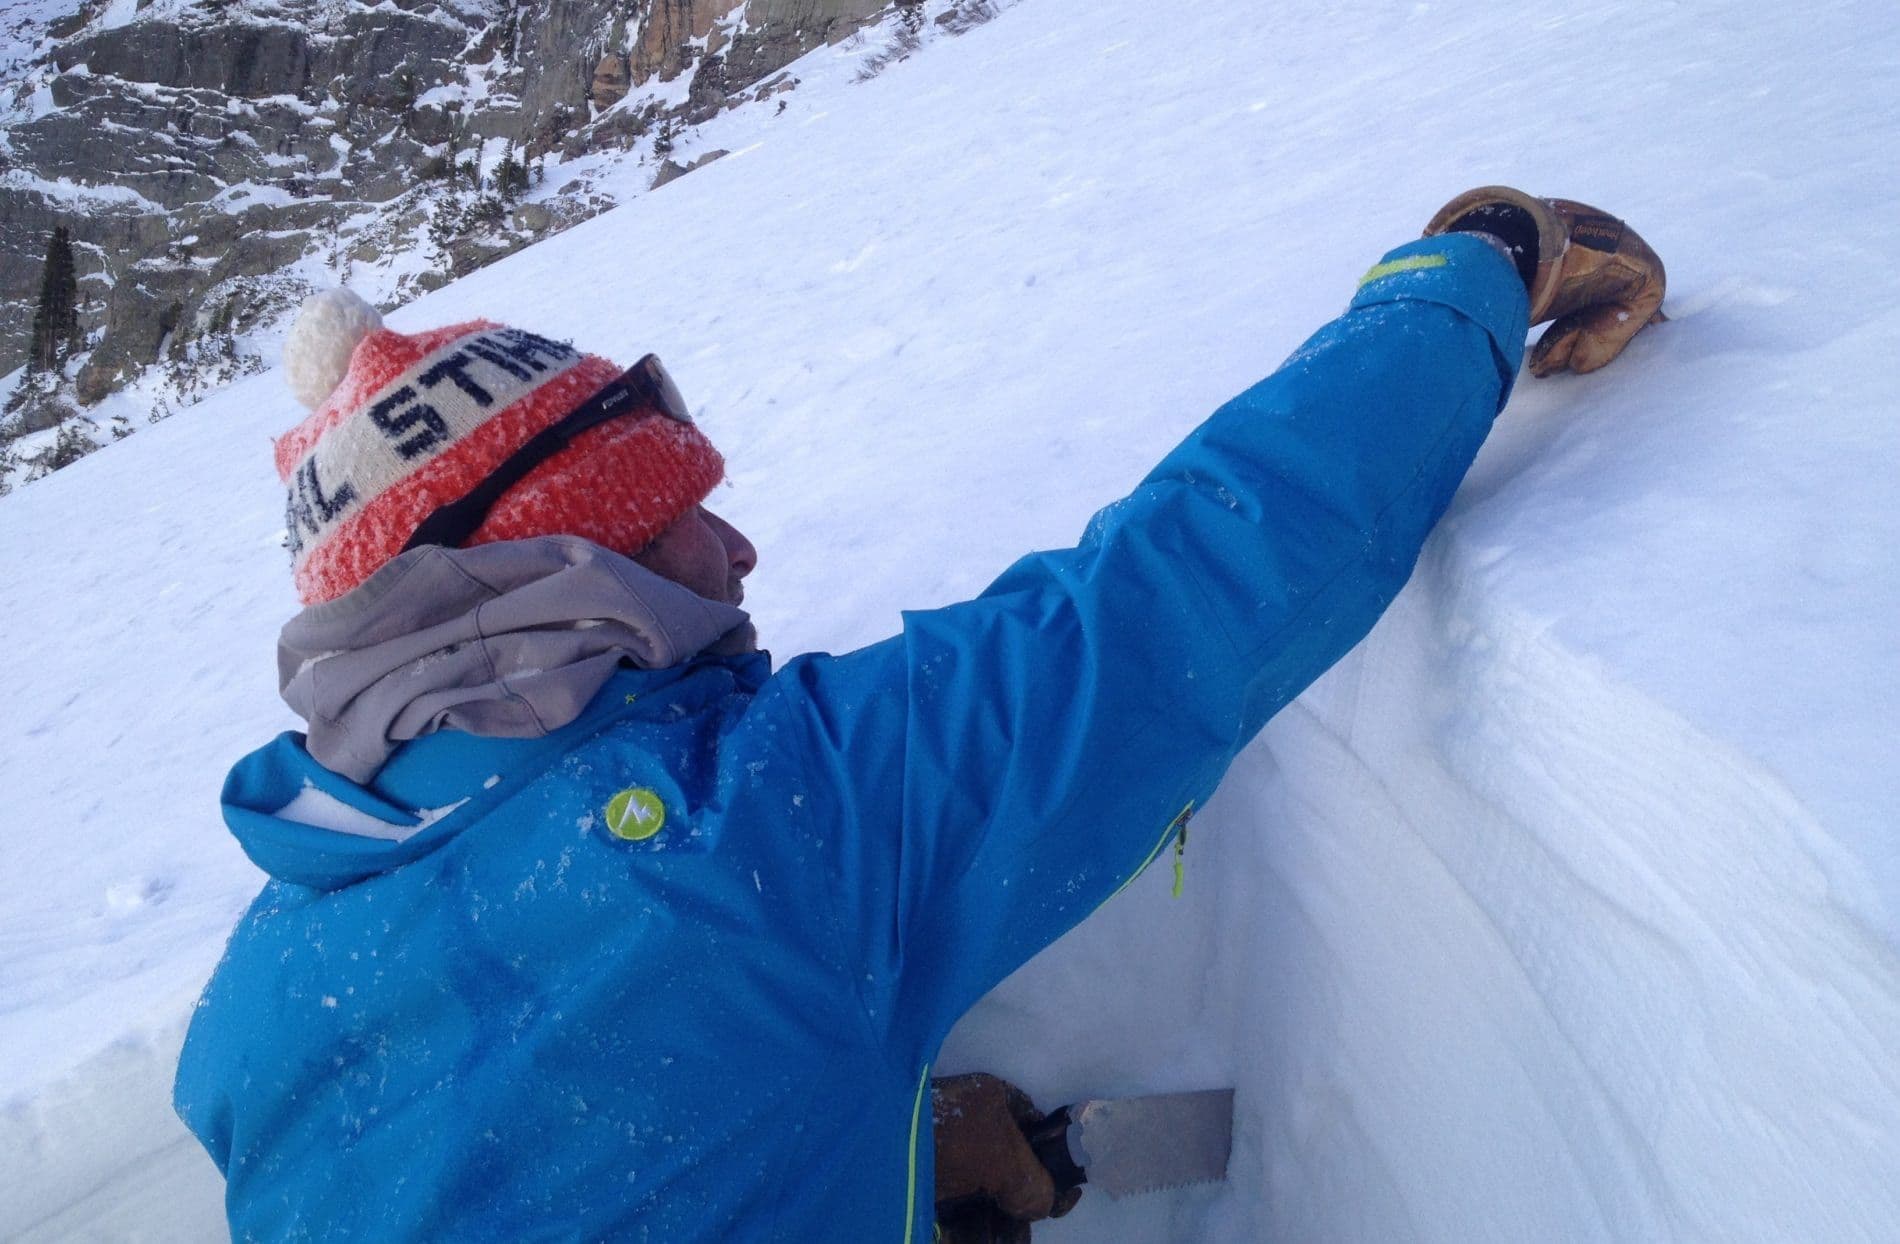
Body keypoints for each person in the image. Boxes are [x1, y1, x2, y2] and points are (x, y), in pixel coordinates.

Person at [173, 186, 1664, 1242]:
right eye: (681, 514)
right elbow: (1173, 602)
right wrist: (1479, 266)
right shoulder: (766, 830)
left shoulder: (252, 1004)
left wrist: (816, 1145)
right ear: (575, 574)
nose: (739, 551)